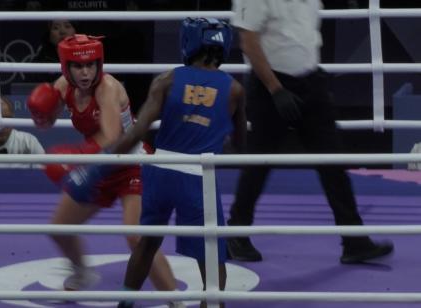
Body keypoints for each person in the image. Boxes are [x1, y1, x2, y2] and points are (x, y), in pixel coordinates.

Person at [63, 18, 246, 307]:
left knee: (147, 243)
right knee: (209, 250)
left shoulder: (167, 80)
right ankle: (213, 304)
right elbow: (240, 145)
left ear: (189, 42)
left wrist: (99, 165)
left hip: (158, 171)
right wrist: (213, 133)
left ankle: (125, 302)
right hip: (198, 175)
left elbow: (136, 131)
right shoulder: (234, 89)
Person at [226, 0, 393, 264]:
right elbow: (248, 41)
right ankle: (236, 234)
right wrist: (275, 89)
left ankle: (354, 240)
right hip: (271, 85)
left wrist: (312, 74)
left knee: (333, 161)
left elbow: (303, 33)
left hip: (310, 82)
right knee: (259, 162)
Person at [26, 34, 181, 301]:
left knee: (136, 237)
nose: (86, 73)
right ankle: (81, 273)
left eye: (91, 65)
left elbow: (112, 139)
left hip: (131, 164)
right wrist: (43, 115)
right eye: (78, 66)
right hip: (99, 166)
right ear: (66, 67)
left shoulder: (107, 88)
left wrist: (75, 156)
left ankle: (174, 300)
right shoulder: (63, 86)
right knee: (60, 228)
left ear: (99, 63)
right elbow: (48, 121)